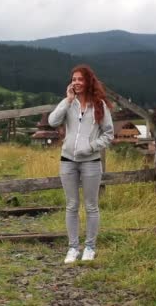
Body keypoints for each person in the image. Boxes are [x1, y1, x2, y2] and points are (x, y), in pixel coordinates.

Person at [48, 64, 114, 263]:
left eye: (80, 79)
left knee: (91, 206)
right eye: (74, 79)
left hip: (91, 162)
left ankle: (90, 247)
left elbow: (109, 134)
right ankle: (73, 248)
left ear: (88, 81)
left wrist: (91, 147)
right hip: (67, 161)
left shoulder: (99, 105)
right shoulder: (69, 103)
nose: (76, 82)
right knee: (72, 205)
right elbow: (52, 121)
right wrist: (67, 100)